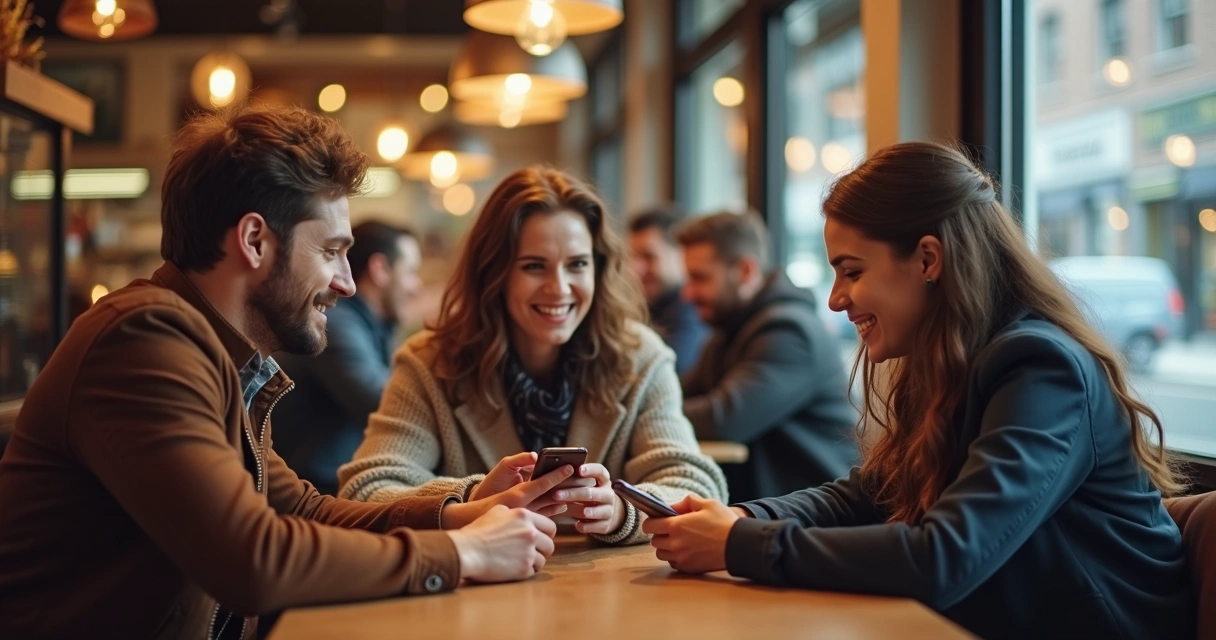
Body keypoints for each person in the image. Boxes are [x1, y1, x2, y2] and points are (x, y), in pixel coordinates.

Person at [0, 105, 570, 640]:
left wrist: (461, 516)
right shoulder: (143, 339)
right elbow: (250, 560)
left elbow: (300, 509)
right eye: (331, 252)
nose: (347, 283)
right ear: (254, 241)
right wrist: (464, 555)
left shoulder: (216, 352)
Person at [643, 142, 1194, 640]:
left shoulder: (1041, 367)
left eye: (851, 271)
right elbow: (865, 496)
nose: (836, 300)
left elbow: (946, 558)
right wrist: (740, 519)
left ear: (928, 259)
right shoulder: (947, 361)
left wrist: (738, 545)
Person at [339, 166, 728, 545]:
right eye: (534, 266)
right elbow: (364, 492)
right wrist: (474, 499)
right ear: (494, 273)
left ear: (599, 269)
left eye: (577, 264)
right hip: (474, 595)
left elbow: (695, 486)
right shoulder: (430, 363)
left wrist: (621, 512)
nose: (559, 288)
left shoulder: (640, 357)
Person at [676, 211, 858, 502]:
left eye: (700, 278)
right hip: (769, 511)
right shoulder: (729, 331)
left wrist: (649, 415)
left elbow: (722, 420)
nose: (687, 293)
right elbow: (677, 393)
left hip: (817, 516)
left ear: (746, 271)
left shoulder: (789, 331)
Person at [273, 221, 422, 495]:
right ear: (380, 270)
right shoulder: (335, 323)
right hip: (310, 490)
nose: (417, 286)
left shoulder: (375, 324)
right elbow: (386, 403)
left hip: (330, 481)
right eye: (411, 272)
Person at [627, 205, 709, 374]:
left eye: (649, 257)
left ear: (681, 254)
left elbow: (669, 373)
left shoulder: (693, 312)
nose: (636, 269)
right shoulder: (648, 306)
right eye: (633, 257)